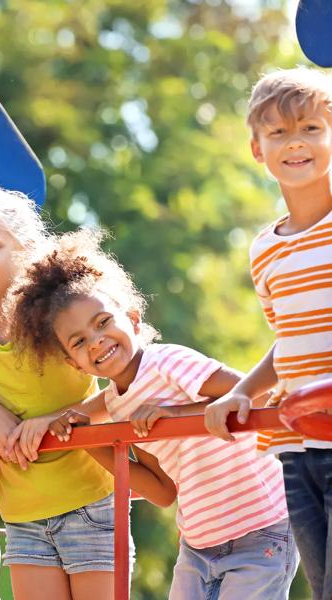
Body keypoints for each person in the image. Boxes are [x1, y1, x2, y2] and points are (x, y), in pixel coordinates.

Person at [10, 229, 298, 600]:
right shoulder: (118, 404)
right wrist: (85, 441)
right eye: (79, 341)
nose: (96, 340)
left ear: (132, 318)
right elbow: (162, 492)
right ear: (73, 362)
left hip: (261, 527)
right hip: (199, 543)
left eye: (102, 322)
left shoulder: (168, 362)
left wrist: (175, 414)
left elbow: (255, 394)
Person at [0, 185, 119, 600]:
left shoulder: (59, 313)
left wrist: (55, 421)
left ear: (26, 250)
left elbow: (121, 390)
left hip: (88, 501)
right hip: (21, 513)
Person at [204, 67, 332, 600]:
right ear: (257, 149)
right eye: (278, 132)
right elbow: (291, 341)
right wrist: (242, 392)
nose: (295, 143)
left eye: (310, 128)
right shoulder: (266, 249)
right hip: (295, 445)